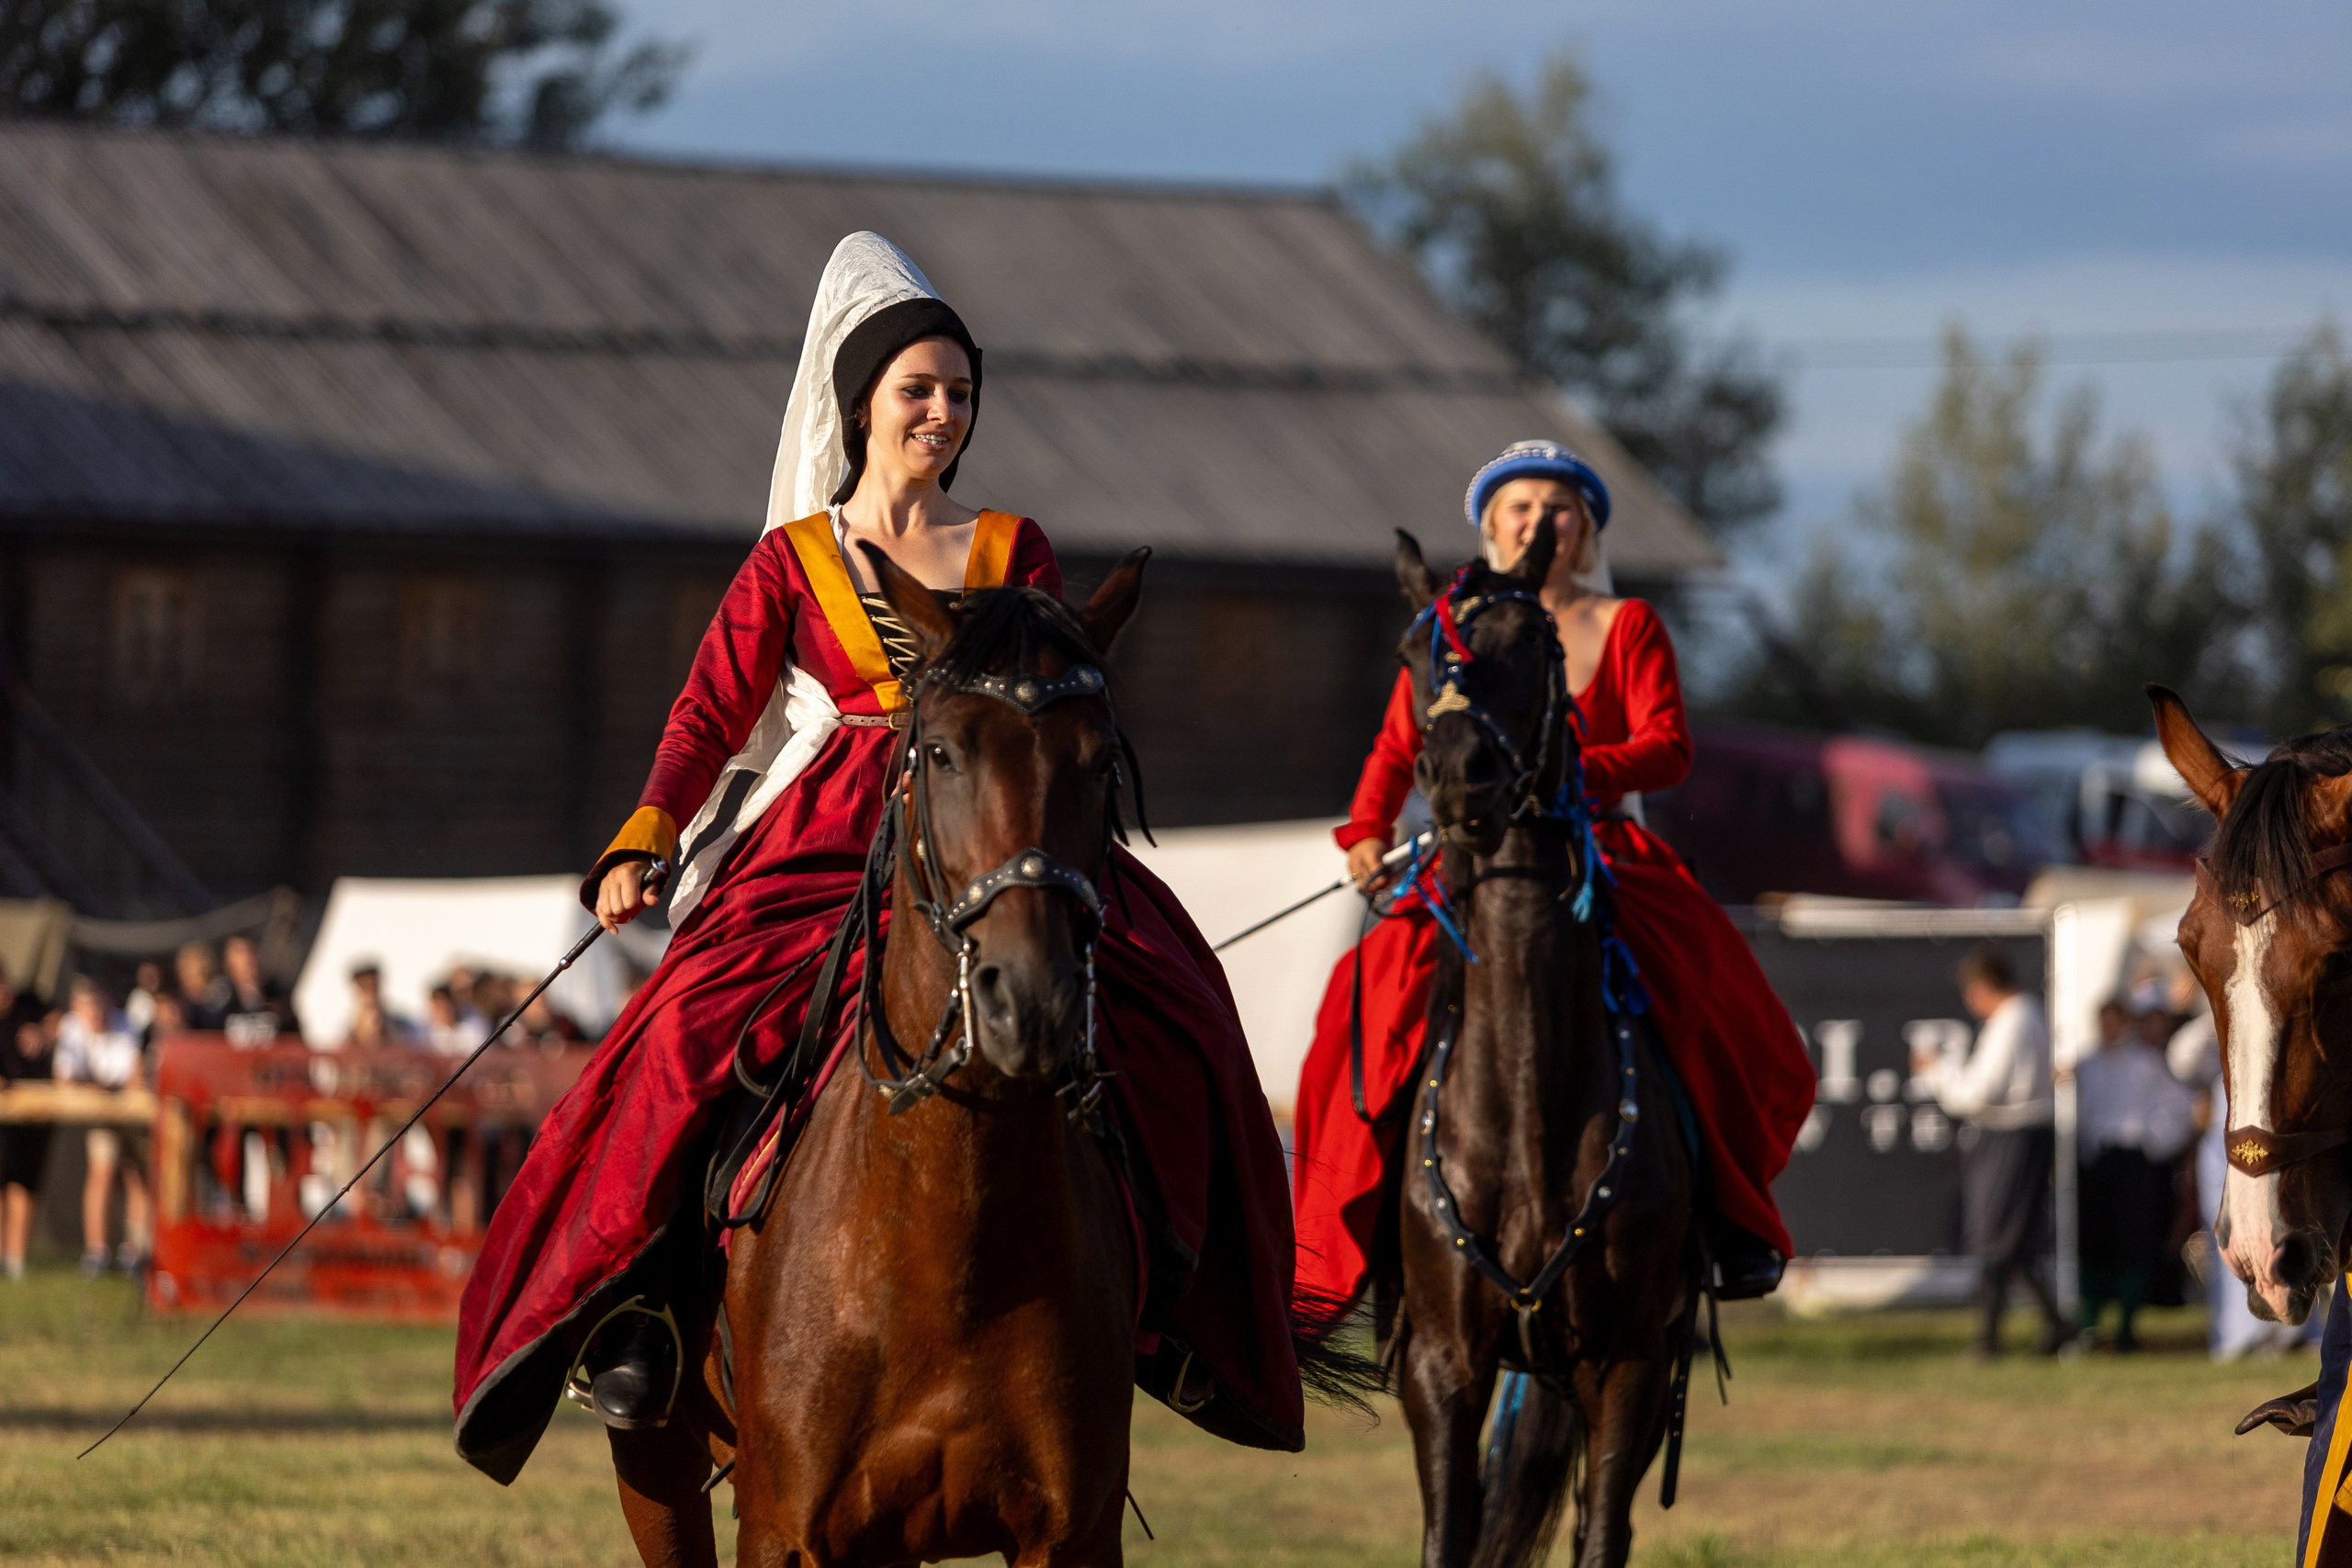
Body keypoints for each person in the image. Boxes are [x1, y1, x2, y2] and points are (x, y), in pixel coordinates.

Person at [451, 232, 1299, 1481]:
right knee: (685, 1025)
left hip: (997, 823)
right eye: (918, 389)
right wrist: (648, 831)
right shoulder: (793, 558)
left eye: (960, 392)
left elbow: (1054, 689)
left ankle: (1172, 1297)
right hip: (833, 824)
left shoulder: (1016, 546)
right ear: (862, 407)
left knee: (1178, 1001)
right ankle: (643, 1307)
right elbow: (709, 712)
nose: (942, 412)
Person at [1289, 439, 1817, 1311]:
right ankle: (1348, 1239)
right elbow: (1399, 740)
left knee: (1717, 1000)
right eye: (1521, 508)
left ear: (1586, 528)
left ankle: (1728, 1216)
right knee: (1360, 1001)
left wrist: (1570, 769)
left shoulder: (1628, 624)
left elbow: (1668, 746)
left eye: (1558, 507)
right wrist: (1366, 828)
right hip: (1473, 857)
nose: (1541, 522)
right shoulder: (1449, 624)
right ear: (1493, 526)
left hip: (1597, 850)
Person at [1916, 945, 2069, 1356]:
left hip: (2009, 1137)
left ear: (1982, 987)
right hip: (2020, 1135)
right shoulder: (2027, 1015)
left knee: (1995, 1233)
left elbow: (1981, 1092)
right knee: (2010, 1238)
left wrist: (1937, 1073)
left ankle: (1992, 1337)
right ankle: (2048, 1325)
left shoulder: (2013, 1020)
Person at [2072, 1000, 2196, 1349]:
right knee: (2094, 1242)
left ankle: (2127, 1325)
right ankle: (2091, 1324)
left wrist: (2153, 1143)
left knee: (2132, 1243)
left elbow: (2178, 1106)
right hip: (2097, 1163)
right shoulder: (2088, 1065)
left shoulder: (2145, 1064)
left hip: (2132, 1162)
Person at [54, 976, 150, 1274]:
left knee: (137, 1178)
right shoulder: (71, 1028)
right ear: (77, 1008)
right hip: (101, 1115)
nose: (95, 1013)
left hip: (132, 1116)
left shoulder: (126, 1024)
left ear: (107, 1002)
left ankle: (134, 1251)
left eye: (98, 1005)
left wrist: (100, 1085)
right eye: (87, 1007)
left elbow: (136, 1076)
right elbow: (65, 1081)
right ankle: (97, 1252)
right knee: (101, 1174)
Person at [0, 975, 55, 1282]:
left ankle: (16, 1261)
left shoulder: (29, 1005)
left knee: (23, 1185)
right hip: (3, 1118)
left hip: (33, 1116)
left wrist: (44, 1033)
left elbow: (60, 1020)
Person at [219, 934, 299, 1045]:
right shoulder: (220, 1002)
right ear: (228, 963)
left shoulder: (278, 997)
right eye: (239, 952)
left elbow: (295, 1039)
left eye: (251, 951)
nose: (248, 959)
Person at [175, 941, 231, 1031]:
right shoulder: (178, 1005)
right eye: (183, 970)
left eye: (191, 971)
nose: (186, 975)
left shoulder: (223, 1001)